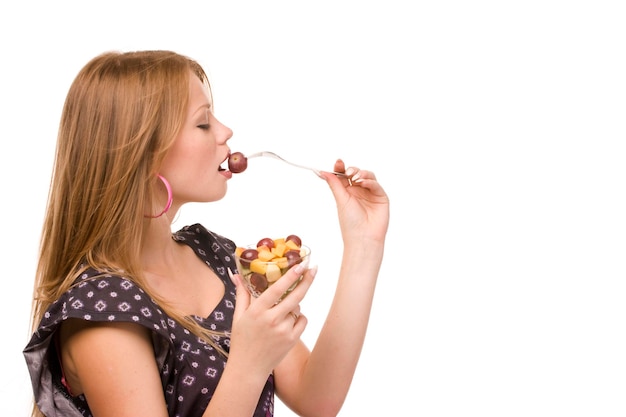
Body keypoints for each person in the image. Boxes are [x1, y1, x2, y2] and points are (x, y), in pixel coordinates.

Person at [23, 50, 389, 417]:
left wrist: (364, 244)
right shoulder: (101, 314)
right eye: (203, 123)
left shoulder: (215, 255)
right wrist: (250, 363)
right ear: (143, 155)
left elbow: (317, 399)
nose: (226, 132)